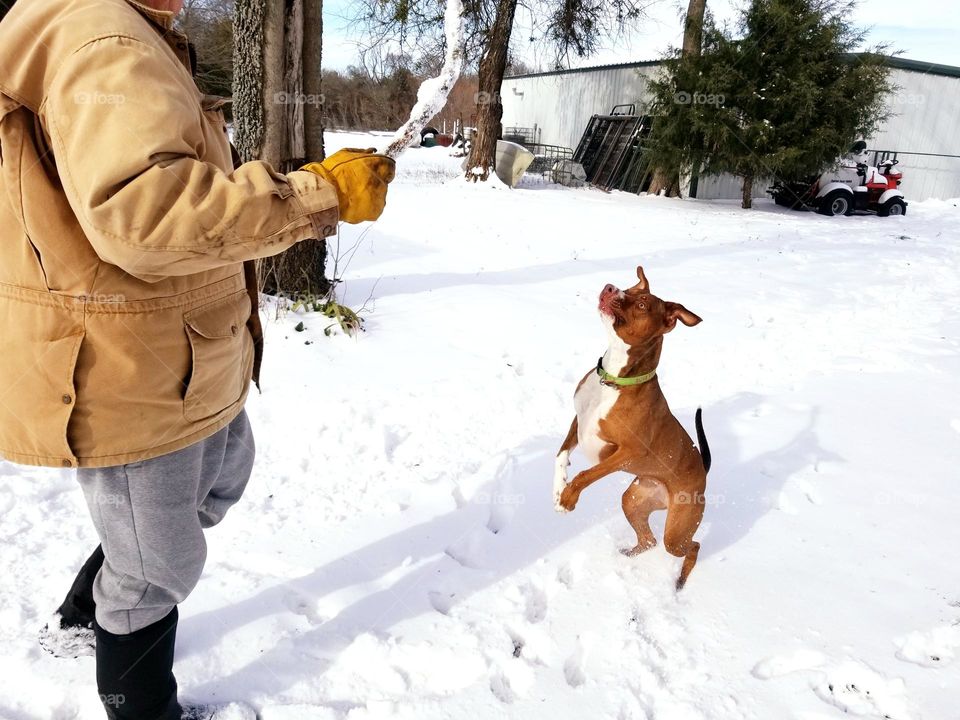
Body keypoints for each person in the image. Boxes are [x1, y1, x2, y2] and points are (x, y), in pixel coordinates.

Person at [0, 0, 395, 717]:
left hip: (187, 350)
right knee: (161, 568)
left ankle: (98, 597)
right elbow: (145, 216)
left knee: (220, 479)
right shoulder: (105, 37)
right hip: (131, 369)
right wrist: (318, 192)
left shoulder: (140, 31)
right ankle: (139, 697)